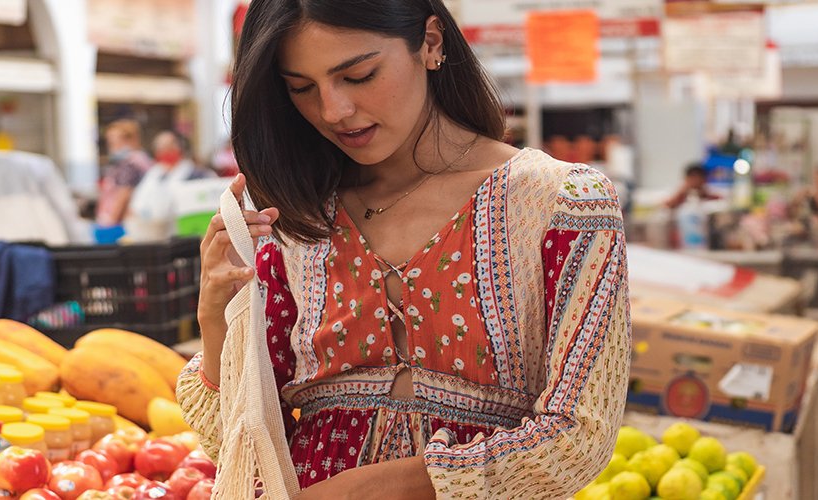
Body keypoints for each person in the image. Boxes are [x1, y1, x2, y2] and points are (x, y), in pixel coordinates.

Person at [177, 1, 631, 498]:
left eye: (359, 75)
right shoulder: (296, 216)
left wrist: (361, 490)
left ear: (431, 43)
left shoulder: (562, 204)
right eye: (301, 88)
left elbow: (578, 438)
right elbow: (240, 450)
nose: (334, 111)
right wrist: (216, 322)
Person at [126, 130, 216, 241]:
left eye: (169, 146)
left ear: (179, 147)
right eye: (161, 148)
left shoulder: (198, 174)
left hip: (185, 238)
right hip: (152, 236)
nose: (165, 151)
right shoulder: (153, 174)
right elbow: (136, 205)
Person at [95, 119, 153, 242]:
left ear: (131, 140)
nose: (112, 147)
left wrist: (109, 224)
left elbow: (124, 194)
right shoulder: (141, 160)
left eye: (115, 143)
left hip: (124, 226)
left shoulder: (130, 164)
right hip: (137, 225)